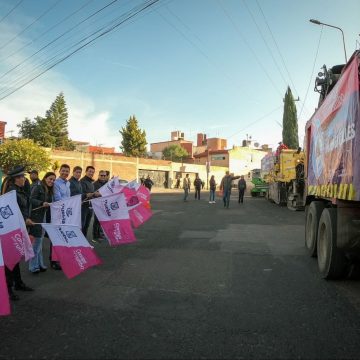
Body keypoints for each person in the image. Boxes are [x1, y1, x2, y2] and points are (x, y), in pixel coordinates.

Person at [4, 166, 35, 301]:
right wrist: (24, 219)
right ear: (17, 178)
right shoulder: (12, 192)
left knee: (16, 257)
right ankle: (8, 288)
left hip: (20, 228)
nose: (24, 179)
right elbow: (10, 212)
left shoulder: (20, 190)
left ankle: (18, 283)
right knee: (10, 259)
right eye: (22, 177)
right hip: (12, 230)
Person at [29, 172, 56, 274]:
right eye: (50, 179)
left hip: (42, 216)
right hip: (35, 217)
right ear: (45, 178)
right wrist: (41, 203)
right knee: (37, 242)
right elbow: (30, 199)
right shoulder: (38, 187)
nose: (51, 181)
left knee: (39, 243)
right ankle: (33, 266)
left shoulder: (49, 190)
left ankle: (39, 264)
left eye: (53, 180)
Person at [52, 163, 71, 270]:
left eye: (67, 171)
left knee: (64, 235)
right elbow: (57, 199)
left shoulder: (68, 183)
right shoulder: (56, 183)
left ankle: (61, 257)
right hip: (58, 213)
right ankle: (54, 260)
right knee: (57, 236)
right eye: (63, 171)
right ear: (59, 171)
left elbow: (69, 197)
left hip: (66, 213)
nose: (65, 173)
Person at [80, 166, 99, 238]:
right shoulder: (82, 181)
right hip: (83, 207)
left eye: (92, 172)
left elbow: (91, 194)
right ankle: (80, 243)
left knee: (87, 225)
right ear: (86, 171)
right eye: (90, 171)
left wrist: (95, 194)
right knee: (82, 225)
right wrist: (90, 194)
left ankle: (84, 242)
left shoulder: (91, 182)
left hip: (90, 207)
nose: (91, 173)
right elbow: (82, 194)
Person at [92, 170, 107, 243]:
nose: (103, 177)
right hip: (97, 205)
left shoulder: (107, 184)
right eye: (101, 175)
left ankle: (100, 234)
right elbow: (94, 194)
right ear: (98, 176)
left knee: (102, 221)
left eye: (104, 175)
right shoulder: (95, 184)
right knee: (96, 221)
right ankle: (95, 236)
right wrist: (102, 194)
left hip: (104, 205)